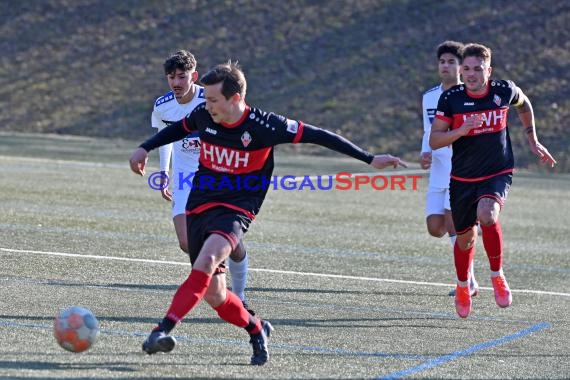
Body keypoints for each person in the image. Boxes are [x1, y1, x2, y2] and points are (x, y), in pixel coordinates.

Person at [129, 61, 407, 365]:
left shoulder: (264, 125)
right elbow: (177, 130)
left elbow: (319, 135)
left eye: (213, 100)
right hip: (200, 205)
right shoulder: (202, 116)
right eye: (206, 99)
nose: (206, 105)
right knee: (216, 295)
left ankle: (163, 329)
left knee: (208, 260)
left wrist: (369, 158)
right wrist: (144, 148)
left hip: (236, 210)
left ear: (235, 99)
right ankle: (256, 327)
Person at [429, 43, 556, 318]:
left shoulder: (503, 90)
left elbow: (524, 104)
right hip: (462, 177)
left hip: (497, 171)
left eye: (477, 68)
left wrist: (532, 138)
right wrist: (461, 130)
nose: (471, 74)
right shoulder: (451, 99)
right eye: (466, 69)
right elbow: (435, 140)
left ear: (489, 70)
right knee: (464, 239)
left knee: (487, 214)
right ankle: (463, 285)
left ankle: (497, 276)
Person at [151, 50, 253, 311]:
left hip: (217, 179)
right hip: (185, 181)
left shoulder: (210, 100)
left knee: (232, 245)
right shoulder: (163, 106)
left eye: (182, 77)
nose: (176, 83)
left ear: (193, 77)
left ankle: (237, 295)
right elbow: (165, 138)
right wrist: (164, 171)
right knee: (187, 242)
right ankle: (218, 283)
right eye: (171, 77)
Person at [419, 41, 478, 297]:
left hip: (462, 170)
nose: (446, 66)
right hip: (438, 172)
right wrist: (426, 150)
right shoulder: (429, 97)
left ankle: (468, 281)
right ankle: (469, 234)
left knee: (455, 225)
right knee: (436, 227)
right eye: (442, 61)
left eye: (451, 62)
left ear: (461, 68)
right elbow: (428, 130)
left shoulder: (470, 96)